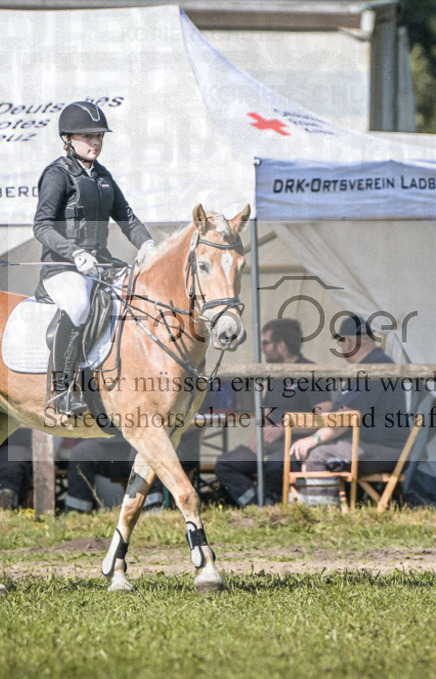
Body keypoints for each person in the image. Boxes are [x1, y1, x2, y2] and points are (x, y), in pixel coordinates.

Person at [33, 100, 156, 415]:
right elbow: (41, 226)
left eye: (99, 136)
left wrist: (147, 244)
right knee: (79, 304)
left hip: (101, 263)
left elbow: (126, 217)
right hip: (62, 267)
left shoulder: (103, 176)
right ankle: (61, 390)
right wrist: (74, 253)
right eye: (88, 136)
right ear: (69, 140)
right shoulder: (57, 175)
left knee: (140, 295)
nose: (96, 142)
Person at [287, 314, 412, 505]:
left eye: (341, 342)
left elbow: (346, 418)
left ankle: (320, 518)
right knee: (298, 452)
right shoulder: (369, 366)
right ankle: (302, 508)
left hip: (385, 449)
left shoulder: (375, 367)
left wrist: (314, 438)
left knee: (319, 455)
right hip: (370, 446)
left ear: (349, 342)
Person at [213, 318, 331, 507]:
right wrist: (258, 436)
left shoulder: (310, 372)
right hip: (269, 446)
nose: (262, 348)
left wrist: (285, 429)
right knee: (226, 464)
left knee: (275, 465)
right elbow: (266, 411)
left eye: (265, 343)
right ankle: (257, 505)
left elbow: (324, 417)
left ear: (281, 345)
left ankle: (274, 506)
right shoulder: (276, 374)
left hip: (296, 447)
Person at [63, 427, 203, 514]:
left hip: (158, 443)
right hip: (116, 443)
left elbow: (191, 421)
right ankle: (77, 515)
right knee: (81, 453)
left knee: (145, 449)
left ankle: (152, 511)